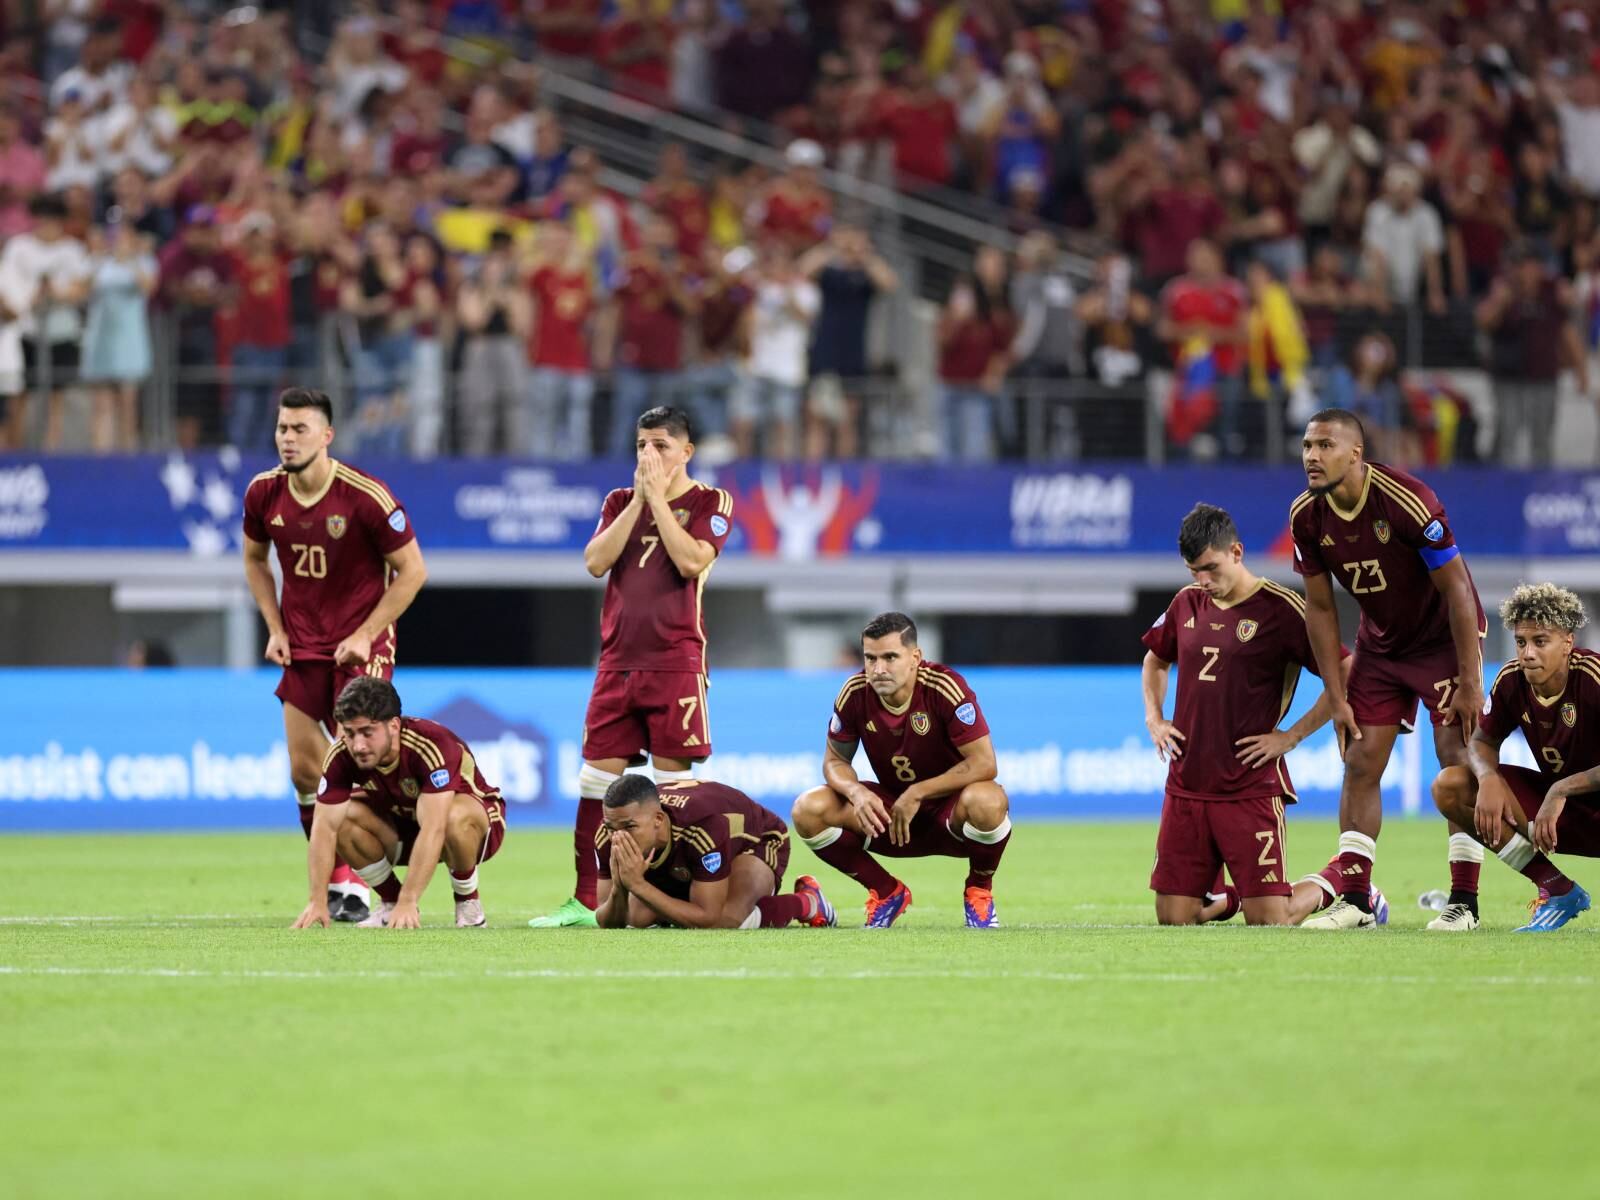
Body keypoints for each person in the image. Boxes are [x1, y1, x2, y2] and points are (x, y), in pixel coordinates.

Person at [530, 406, 733, 928]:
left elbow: (691, 561)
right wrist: (640, 499)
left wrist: (659, 502)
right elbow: (596, 561)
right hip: (617, 662)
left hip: (676, 663)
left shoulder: (711, 501)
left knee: (672, 795)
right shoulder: (619, 501)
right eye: (642, 444)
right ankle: (582, 902)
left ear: (686, 452)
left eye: (661, 445)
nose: (649, 454)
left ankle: (669, 897)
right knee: (594, 784)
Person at [1141, 503, 1386, 926]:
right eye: (1193, 570)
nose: (1203, 580)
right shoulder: (1186, 603)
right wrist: (1155, 717)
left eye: (1211, 568)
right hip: (1187, 785)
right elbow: (1155, 660)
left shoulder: (1282, 609)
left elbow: (1345, 673)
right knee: (1173, 919)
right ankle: (1232, 897)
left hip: (1249, 785)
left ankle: (1346, 882)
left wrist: (1291, 736)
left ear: (1237, 552)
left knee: (1272, 922)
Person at [1291, 409, 1487, 930]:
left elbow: (1458, 591)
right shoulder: (1306, 517)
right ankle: (1355, 901)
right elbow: (1321, 609)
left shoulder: (1408, 501)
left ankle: (1464, 902)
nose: (1312, 455)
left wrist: (1470, 682)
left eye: (1325, 445)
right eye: (1307, 445)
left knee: (1454, 758)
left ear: (1355, 453)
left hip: (1442, 639)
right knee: (1360, 760)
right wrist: (1336, 694)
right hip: (1379, 647)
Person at [242, 387, 429, 922]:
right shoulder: (263, 494)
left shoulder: (365, 496)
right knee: (305, 768)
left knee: (361, 762)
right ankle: (341, 885)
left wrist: (367, 631)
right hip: (301, 643)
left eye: (300, 429)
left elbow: (413, 571)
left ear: (326, 436)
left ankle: (381, 884)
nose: (288, 438)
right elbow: (255, 560)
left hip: (360, 646)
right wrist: (274, 627)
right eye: (282, 428)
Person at [791, 612, 1011, 929]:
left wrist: (918, 792)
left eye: (890, 657)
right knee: (808, 809)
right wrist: (856, 792)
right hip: (892, 816)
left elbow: (984, 763)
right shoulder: (854, 692)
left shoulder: (944, 687)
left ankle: (979, 890)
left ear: (915, 658)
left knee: (988, 801)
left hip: (950, 814)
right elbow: (834, 762)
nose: (878, 669)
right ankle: (886, 892)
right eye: (870, 658)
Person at [1429, 583, 1596, 932]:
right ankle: (1557, 890)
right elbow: (1480, 742)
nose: (1528, 653)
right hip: (1564, 814)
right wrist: (1488, 778)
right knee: (1452, 786)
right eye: (1521, 642)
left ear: (1568, 642)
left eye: (1540, 641)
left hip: (1569, 802)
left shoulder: (1593, 677)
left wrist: (1560, 790)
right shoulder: (1510, 682)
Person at [293, 677, 506, 931]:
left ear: (393, 725)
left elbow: (434, 828)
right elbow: (323, 828)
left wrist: (411, 898)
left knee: (452, 818)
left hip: (472, 828)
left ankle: (468, 903)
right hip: (402, 825)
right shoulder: (341, 755)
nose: (357, 745)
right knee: (342, 818)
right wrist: (317, 900)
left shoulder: (431, 744)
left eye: (367, 732)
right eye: (349, 733)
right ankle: (391, 902)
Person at [595, 775, 836, 929]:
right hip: (691, 855)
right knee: (637, 917)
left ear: (658, 819)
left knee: (726, 920)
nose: (619, 837)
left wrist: (637, 885)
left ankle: (807, 902)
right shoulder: (609, 834)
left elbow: (707, 917)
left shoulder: (702, 828)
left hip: (757, 840)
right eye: (611, 827)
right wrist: (620, 886)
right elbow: (606, 918)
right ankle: (686, 898)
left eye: (629, 827)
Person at [81, 218, 155, 453]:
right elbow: (81, 290)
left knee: (127, 403)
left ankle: (127, 456)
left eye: (123, 236)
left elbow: (149, 287)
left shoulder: (144, 261)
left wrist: (130, 259)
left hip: (129, 341)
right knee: (101, 404)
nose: (118, 241)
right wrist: (98, 258)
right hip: (101, 339)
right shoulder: (98, 262)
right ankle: (100, 458)